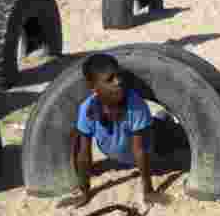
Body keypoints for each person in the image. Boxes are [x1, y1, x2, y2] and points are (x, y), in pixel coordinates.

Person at [70, 53, 177, 207]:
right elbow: (83, 154)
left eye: (118, 75)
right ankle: (161, 118)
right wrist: (84, 191)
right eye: (109, 79)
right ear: (93, 86)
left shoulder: (135, 105)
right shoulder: (87, 110)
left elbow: (140, 151)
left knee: (173, 137)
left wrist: (148, 191)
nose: (118, 81)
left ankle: (164, 119)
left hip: (156, 142)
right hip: (124, 150)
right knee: (154, 123)